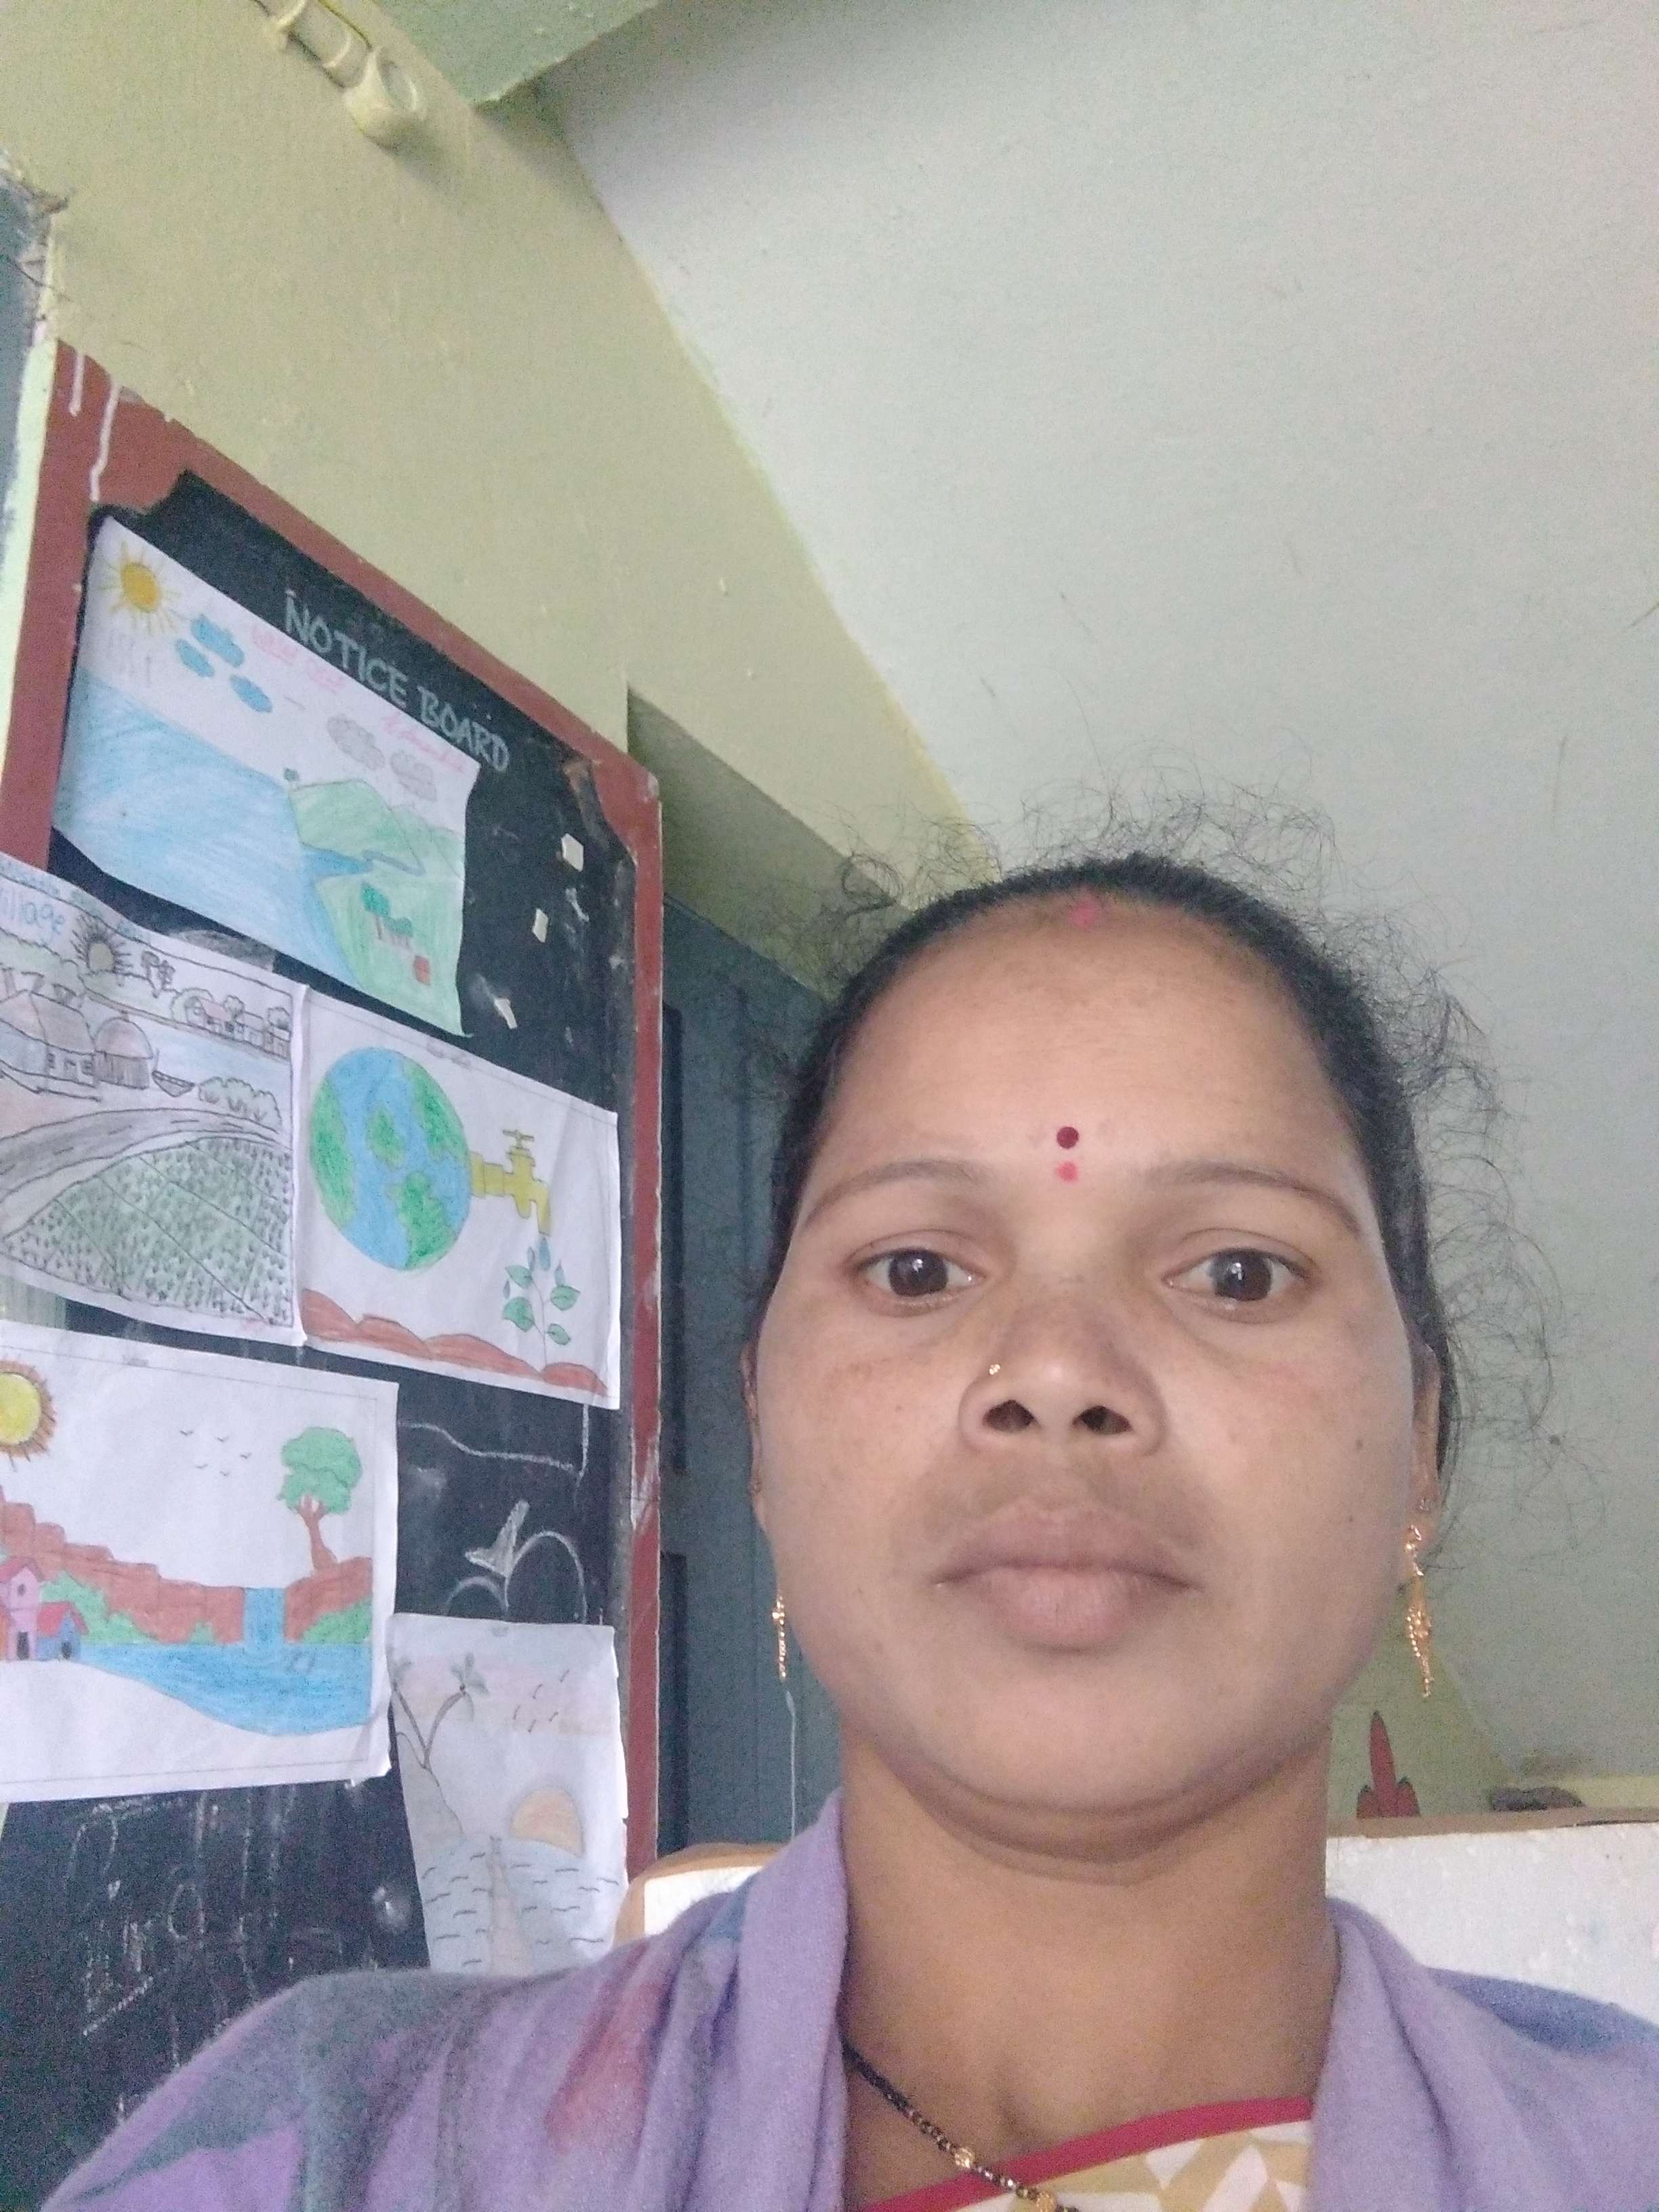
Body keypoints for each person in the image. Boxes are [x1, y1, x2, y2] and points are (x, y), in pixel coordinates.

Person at [46, 851, 1659, 2211]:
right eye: (917, 1270)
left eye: (1237, 1272)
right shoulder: (349, 2152)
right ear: (762, 1429)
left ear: (1420, 1449)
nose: (1056, 1373)